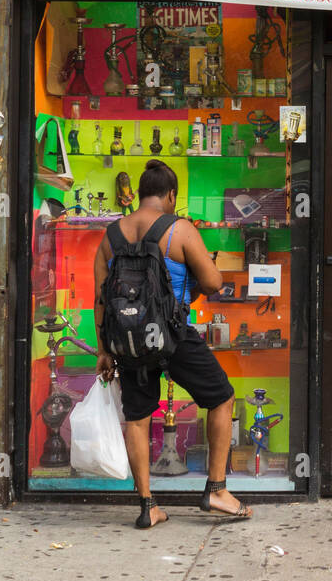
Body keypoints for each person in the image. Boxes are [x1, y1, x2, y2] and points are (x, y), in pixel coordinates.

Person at [93, 159, 252, 527]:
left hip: (128, 341)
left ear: (140, 192)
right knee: (221, 397)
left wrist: (105, 349)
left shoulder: (111, 235)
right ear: (170, 195)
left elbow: (100, 298)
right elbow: (213, 282)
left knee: (137, 416)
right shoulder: (179, 229)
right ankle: (216, 490)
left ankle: (148, 506)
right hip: (172, 334)